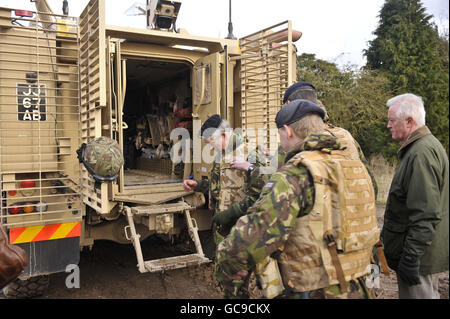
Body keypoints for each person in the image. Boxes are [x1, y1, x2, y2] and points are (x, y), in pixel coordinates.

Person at [216, 99, 380, 299]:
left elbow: (241, 246)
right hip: (360, 288)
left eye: (279, 134)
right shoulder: (355, 167)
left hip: (315, 291)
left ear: (288, 131)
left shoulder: (297, 174)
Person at [383, 93, 449, 299]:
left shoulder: (421, 153)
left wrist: (411, 259)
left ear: (409, 121)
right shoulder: (421, 148)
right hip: (422, 256)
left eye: (392, 120)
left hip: (419, 260)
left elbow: (426, 213)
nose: (388, 125)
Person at [182, 114, 266, 244]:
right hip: (223, 233)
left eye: (211, 142)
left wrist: (230, 214)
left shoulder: (251, 154)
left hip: (243, 234)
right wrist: (198, 185)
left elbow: (262, 195)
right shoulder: (221, 156)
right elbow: (220, 185)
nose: (210, 148)